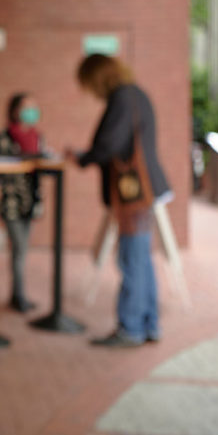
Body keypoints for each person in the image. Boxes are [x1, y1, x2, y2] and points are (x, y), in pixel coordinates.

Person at [65, 54, 170, 348]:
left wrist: (84, 158)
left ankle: (131, 328)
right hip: (144, 189)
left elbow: (108, 144)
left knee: (132, 258)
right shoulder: (136, 94)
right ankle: (149, 324)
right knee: (141, 258)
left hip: (133, 193)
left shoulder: (122, 98)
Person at [0, 92, 45, 313]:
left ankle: (17, 294)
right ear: (15, 110)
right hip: (10, 201)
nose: (31, 111)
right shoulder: (2, 138)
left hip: (30, 202)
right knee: (19, 247)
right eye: (27, 107)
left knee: (22, 249)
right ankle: (18, 296)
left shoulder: (38, 138)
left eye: (34, 107)